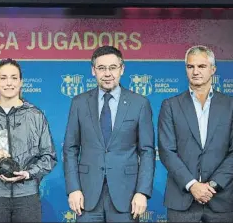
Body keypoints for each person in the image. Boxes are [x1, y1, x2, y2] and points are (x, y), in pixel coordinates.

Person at [63, 46, 155, 222]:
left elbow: (147, 151)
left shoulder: (140, 104)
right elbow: (70, 149)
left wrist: (142, 192)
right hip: (87, 196)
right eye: (101, 68)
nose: (107, 73)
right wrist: (73, 189)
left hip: (126, 196)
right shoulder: (79, 103)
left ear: (122, 69)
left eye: (112, 67)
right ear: (93, 71)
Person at [0, 58, 57, 222]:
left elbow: (49, 157)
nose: (9, 83)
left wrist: (28, 174)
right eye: (3, 78)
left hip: (27, 196)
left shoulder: (35, 116)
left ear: (21, 82)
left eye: (14, 78)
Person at [158, 45, 233, 222]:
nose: (195, 71)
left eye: (201, 66)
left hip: (221, 200)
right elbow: (166, 151)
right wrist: (193, 185)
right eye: (190, 66)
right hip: (181, 201)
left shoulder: (230, 106)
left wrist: (212, 186)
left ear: (213, 69)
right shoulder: (170, 105)